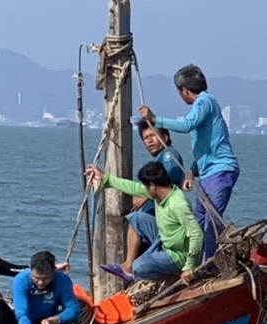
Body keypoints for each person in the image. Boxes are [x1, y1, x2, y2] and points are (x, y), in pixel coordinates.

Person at [139, 64, 239, 262]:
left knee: (211, 221)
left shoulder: (204, 102)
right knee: (199, 221)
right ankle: (196, 261)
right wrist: (192, 171)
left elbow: (186, 125)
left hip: (220, 171)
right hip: (209, 173)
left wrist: (154, 119)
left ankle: (211, 264)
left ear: (184, 90)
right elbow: (205, 149)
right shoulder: (205, 107)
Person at [89, 161, 203, 284]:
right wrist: (106, 178)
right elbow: (133, 187)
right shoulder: (160, 193)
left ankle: (176, 280)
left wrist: (189, 266)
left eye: (146, 187)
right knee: (136, 218)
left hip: (179, 255)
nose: (145, 190)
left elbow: (197, 234)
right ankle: (127, 266)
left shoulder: (178, 204)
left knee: (139, 268)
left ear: (152, 185)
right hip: (165, 239)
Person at [119, 123, 188, 275]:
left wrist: (144, 196)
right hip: (157, 222)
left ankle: (128, 267)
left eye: (153, 136)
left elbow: (168, 182)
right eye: (145, 138)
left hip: (164, 224)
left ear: (165, 137)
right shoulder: (159, 159)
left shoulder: (169, 155)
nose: (149, 141)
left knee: (136, 219)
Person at [12, 250, 81, 324]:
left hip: (50, 320)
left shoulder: (62, 280)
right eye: (36, 278)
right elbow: (21, 314)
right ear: (30, 269)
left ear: (53, 272)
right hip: (28, 321)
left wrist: (53, 320)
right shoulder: (21, 280)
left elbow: (74, 309)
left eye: (46, 278)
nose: (41, 282)